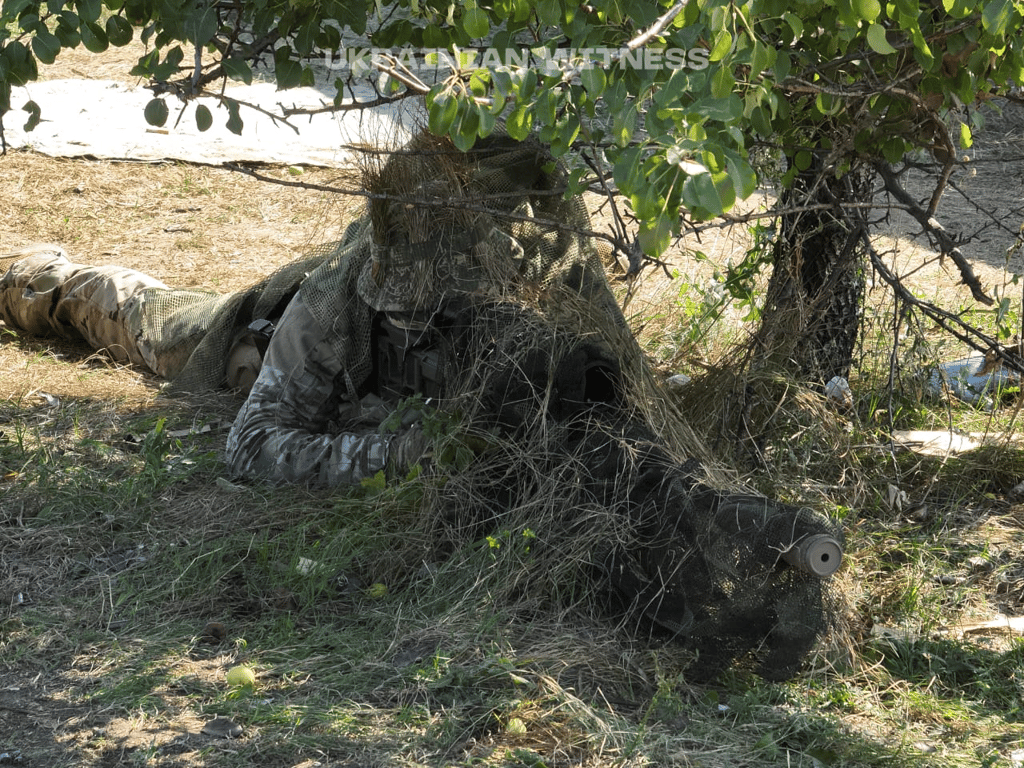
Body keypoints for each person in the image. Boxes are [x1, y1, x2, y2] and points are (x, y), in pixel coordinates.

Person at [0, 129, 844, 679]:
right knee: (134, 315)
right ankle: (35, 273)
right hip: (251, 338)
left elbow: (624, 418)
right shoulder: (346, 292)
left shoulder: (546, 271)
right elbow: (253, 445)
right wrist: (400, 456)